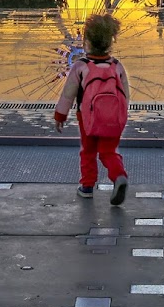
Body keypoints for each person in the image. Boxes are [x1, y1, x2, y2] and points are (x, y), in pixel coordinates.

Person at [53, 13, 130, 205]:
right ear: (110, 41)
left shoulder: (81, 66)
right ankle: (119, 175)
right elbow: (125, 95)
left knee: (88, 150)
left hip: (87, 117)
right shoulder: (117, 66)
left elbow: (68, 94)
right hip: (113, 118)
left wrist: (60, 115)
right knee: (108, 151)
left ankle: (87, 186)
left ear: (87, 41)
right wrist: (120, 115)